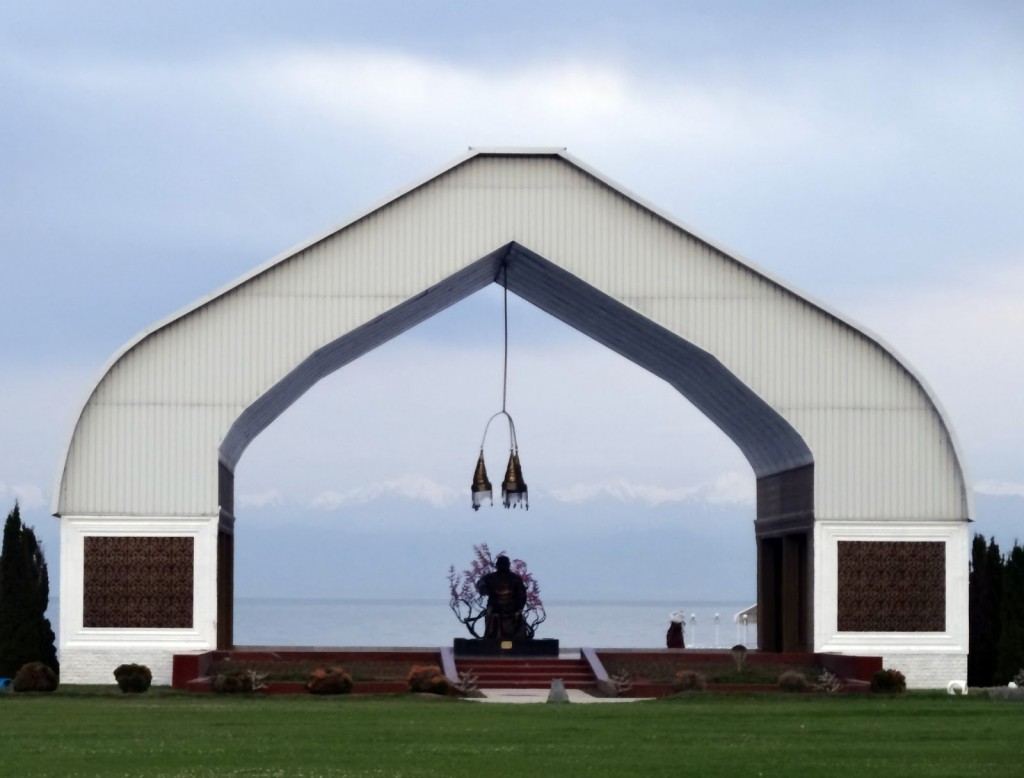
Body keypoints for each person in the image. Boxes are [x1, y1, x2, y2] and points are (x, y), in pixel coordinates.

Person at [475, 554, 528, 640]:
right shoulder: (490, 577)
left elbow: (522, 595)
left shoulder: (515, 578)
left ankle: (518, 638)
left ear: (508, 565)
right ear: (497, 565)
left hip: (512, 607)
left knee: (518, 618)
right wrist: (484, 589)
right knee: (490, 615)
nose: (503, 566)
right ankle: (490, 637)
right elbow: (480, 584)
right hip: (495, 606)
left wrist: (519, 608)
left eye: (505, 564)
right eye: (501, 564)